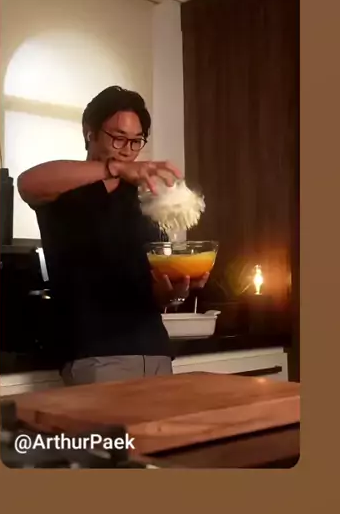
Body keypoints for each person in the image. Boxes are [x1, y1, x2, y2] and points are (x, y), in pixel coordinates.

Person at [17, 85, 209, 385]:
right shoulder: (65, 191)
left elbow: (151, 292)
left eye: (136, 141)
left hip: (155, 352)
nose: (127, 150)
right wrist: (113, 169)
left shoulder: (145, 199)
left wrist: (173, 292)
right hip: (97, 355)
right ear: (90, 132)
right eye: (118, 137)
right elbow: (28, 182)